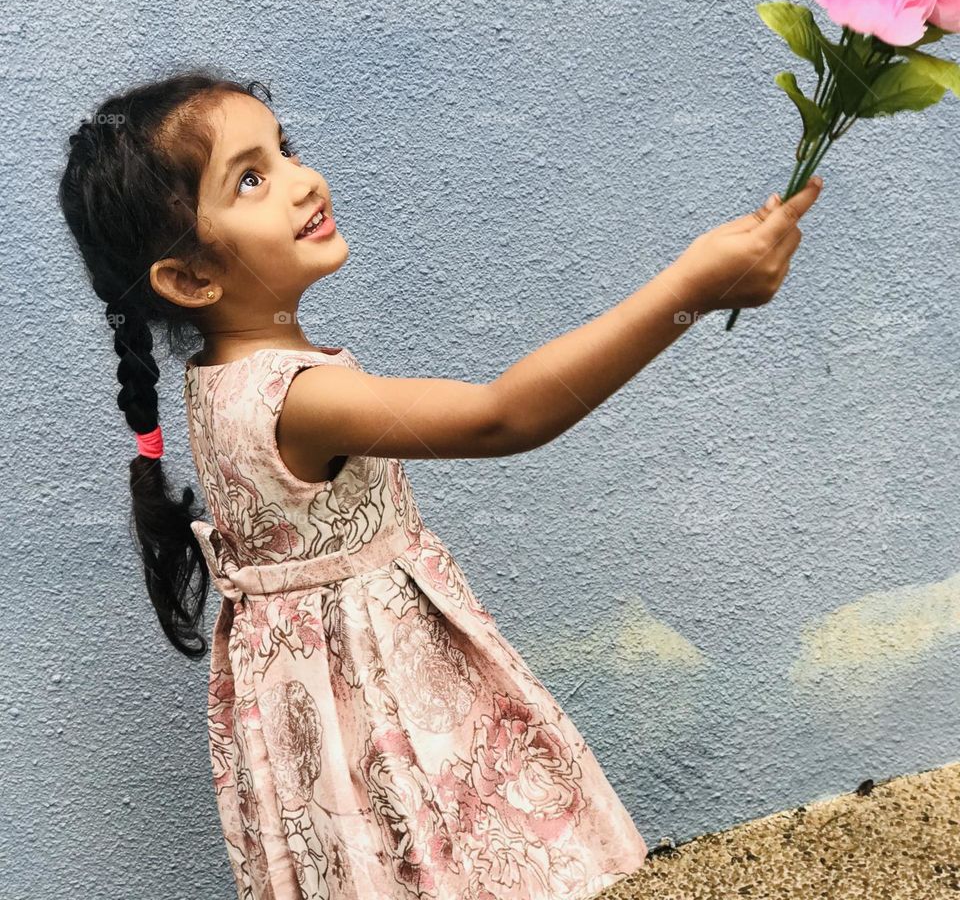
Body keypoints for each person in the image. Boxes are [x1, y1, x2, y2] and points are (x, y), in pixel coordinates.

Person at [57, 68, 823, 900]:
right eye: (250, 179)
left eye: (284, 150)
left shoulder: (221, 384)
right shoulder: (296, 398)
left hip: (329, 717)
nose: (301, 180)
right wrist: (692, 291)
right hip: (387, 704)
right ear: (191, 279)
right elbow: (506, 416)